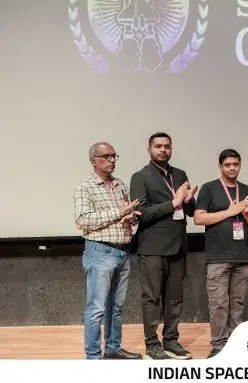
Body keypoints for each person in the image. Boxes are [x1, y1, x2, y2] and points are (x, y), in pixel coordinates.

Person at [130, 132, 198, 360]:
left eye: (167, 146)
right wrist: (173, 203)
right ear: (149, 149)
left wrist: (188, 201)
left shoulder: (180, 174)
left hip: (178, 246)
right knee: (152, 298)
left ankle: (171, 341)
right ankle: (152, 345)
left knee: (175, 297)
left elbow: (189, 211)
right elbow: (142, 213)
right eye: (158, 146)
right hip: (152, 248)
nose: (163, 150)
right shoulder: (140, 177)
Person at [73, 142, 142, 360]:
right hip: (100, 252)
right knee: (96, 309)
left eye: (114, 156)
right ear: (93, 161)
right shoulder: (86, 187)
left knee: (117, 307)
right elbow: (82, 220)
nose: (112, 160)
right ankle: (93, 356)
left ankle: (112, 348)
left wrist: (131, 218)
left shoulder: (120, 184)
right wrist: (119, 212)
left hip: (123, 252)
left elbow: (125, 215)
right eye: (106, 156)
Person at [194, 149, 248, 358]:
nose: (232, 168)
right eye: (228, 165)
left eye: (235, 164)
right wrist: (230, 212)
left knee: (238, 304)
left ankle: (235, 343)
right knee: (219, 304)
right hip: (218, 257)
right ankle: (219, 345)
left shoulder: (247, 190)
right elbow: (199, 218)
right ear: (220, 166)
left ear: (240, 165)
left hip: (242, 256)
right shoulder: (209, 188)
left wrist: (246, 212)